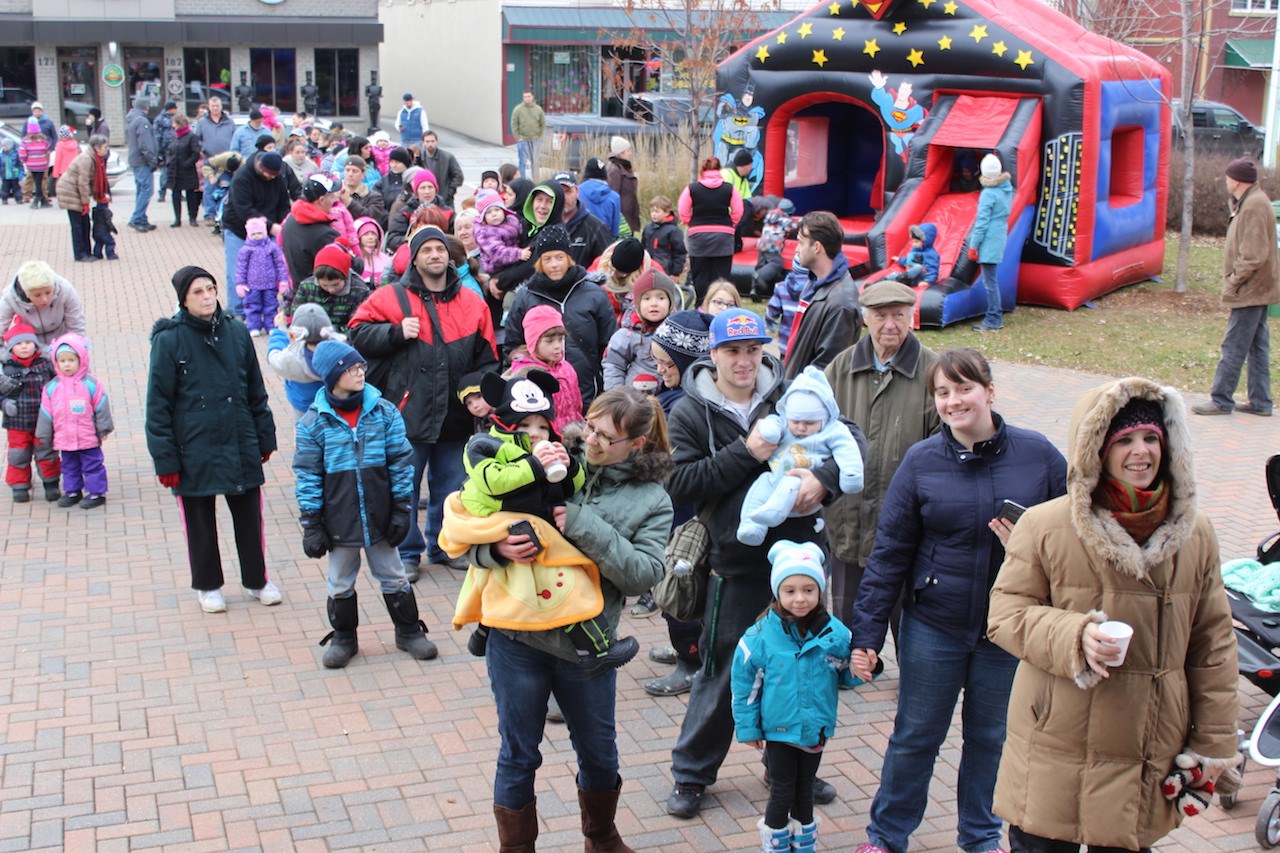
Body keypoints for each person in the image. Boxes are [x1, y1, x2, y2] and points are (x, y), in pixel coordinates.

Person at [987, 378, 1240, 853]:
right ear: (1096, 450)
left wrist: (1214, 742)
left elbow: (1214, 643)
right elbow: (1005, 614)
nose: (1141, 452)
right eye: (1124, 440)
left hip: (1146, 747)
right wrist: (1074, 635)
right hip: (1056, 745)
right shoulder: (1044, 524)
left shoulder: (1196, 533)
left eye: (1150, 438)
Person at [849, 348, 1067, 853]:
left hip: (1008, 631)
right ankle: (886, 837)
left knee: (992, 739)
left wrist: (1028, 549)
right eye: (942, 393)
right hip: (934, 625)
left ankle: (981, 837)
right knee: (915, 736)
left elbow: (1074, 541)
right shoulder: (921, 462)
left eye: (964, 388)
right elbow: (889, 554)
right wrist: (868, 635)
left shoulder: (1039, 456)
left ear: (989, 391)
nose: (953, 401)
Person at [666, 308, 861, 820]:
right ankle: (691, 773)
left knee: (800, 671)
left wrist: (825, 480)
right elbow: (681, 483)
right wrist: (746, 452)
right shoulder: (688, 412)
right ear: (713, 354)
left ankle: (788, 768)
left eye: (753, 349)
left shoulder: (792, 393)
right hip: (734, 562)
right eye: (733, 351)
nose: (744, 361)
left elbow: (850, 437)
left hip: (800, 563)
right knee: (722, 669)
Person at [470, 386, 672, 852]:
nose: (590, 441)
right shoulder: (543, 455)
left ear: (636, 444)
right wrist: (493, 549)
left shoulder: (652, 499)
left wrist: (582, 523)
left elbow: (644, 574)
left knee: (599, 755)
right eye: (590, 427)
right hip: (517, 639)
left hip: (588, 649)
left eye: (606, 437)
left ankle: (601, 838)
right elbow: (469, 518)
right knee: (518, 755)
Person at [451, 370, 643, 671]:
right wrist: (535, 465)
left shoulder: (552, 448)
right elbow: (493, 482)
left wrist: (569, 467)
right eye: (524, 425)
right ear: (504, 422)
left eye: (542, 425)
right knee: (566, 585)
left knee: (518, 582)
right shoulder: (484, 445)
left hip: (525, 522)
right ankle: (598, 648)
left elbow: (569, 488)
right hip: (492, 516)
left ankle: (483, 633)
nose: (535, 433)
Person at [347, 226, 499, 580]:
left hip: (455, 416)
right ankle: (407, 553)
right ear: (414, 259)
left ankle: (444, 546)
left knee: (451, 488)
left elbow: (488, 358)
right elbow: (356, 333)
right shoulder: (389, 296)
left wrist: (476, 393)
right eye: (426, 250)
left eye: (440, 249)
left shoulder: (472, 302)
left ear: (449, 256)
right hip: (406, 413)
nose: (435, 255)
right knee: (405, 489)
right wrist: (395, 332)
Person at [294, 339, 437, 669]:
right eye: (352, 368)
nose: (361, 372)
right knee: (340, 579)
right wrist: (311, 522)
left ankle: (409, 631)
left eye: (361, 366)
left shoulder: (384, 412)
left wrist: (402, 509)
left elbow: (401, 461)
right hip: (338, 517)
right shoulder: (313, 423)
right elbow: (307, 475)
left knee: (394, 574)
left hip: (380, 514)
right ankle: (344, 638)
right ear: (333, 375)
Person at [146, 266, 281, 614]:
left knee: (249, 518)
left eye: (211, 289)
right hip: (193, 446)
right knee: (199, 523)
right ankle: (208, 585)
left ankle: (257, 580)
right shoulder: (169, 339)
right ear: (184, 300)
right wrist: (165, 459)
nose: (207, 297)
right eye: (198, 292)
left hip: (239, 439)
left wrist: (264, 436)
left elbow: (256, 390)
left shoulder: (236, 332)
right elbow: (158, 405)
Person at [823, 282, 940, 634]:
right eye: (880, 315)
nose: (890, 324)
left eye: (898, 315)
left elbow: (943, 451)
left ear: (911, 318)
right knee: (846, 632)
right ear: (865, 319)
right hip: (848, 524)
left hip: (907, 532)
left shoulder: (934, 371)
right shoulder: (840, 369)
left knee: (911, 632)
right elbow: (816, 438)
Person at [733, 541, 863, 853]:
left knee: (805, 788)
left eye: (808, 589)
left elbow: (846, 674)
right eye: (790, 590)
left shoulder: (836, 634)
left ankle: (804, 845)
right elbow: (745, 686)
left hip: (815, 728)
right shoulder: (760, 636)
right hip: (779, 729)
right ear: (777, 591)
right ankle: (776, 845)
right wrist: (749, 728)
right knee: (782, 789)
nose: (800, 598)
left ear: (820, 590)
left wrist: (861, 668)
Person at [642, 309, 713, 695]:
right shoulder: (677, 395)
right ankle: (686, 648)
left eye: (666, 363)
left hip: (682, 515)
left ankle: (690, 661)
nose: (659, 369)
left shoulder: (684, 404)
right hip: (676, 510)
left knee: (679, 583)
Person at [1192, 156, 1280, 417]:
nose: (1226, 181)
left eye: (1228, 178)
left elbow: (1253, 255)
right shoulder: (1250, 201)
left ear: (1238, 181)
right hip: (1257, 289)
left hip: (1250, 289)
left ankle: (1221, 399)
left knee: (1233, 345)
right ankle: (1261, 402)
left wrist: (1233, 281)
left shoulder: (1254, 205)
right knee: (1257, 347)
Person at [737, 366, 863, 546]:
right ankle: (752, 527)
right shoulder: (785, 421)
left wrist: (850, 476)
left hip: (802, 481)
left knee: (790, 483)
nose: (801, 428)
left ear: (823, 418)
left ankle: (773, 514)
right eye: (795, 421)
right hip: (775, 477)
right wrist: (770, 431)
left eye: (810, 423)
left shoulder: (832, 430)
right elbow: (773, 422)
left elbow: (848, 449)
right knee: (761, 485)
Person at [504, 226, 616, 407]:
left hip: (590, 393)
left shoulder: (594, 294)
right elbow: (512, 347)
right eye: (547, 259)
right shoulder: (525, 298)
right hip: (540, 398)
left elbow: (610, 344)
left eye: (559, 257)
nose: (554, 264)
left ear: (569, 258)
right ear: (539, 262)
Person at [36, 333, 113, 510]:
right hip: (65, 436)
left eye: (71, 360)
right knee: (69, 466)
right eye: (62, 361)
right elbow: (46, 412)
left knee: (92, 464)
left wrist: (103, 428)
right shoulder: (52, 387)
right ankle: (72, 491)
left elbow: (101, 406)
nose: (67, 364)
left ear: (81, 360)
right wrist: (44, 434)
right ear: (56, 363)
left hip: (87, 435)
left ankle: (97, 492)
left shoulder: (91, 384)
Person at [785, 211, 860, 379]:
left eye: (801, 242)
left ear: (817, 247)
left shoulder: (841, 303)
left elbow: (827, 368)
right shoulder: (813, 283)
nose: (797, 249)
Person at [223, 151, 291, 320]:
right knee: (237, 270)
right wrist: (270, 226)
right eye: (267, 174)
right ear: (260, 166)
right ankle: (238, 312)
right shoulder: (242, 177)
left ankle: (270, 310)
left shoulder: (278, 178)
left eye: (274, 175)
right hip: (239, 228)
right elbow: (244, 209)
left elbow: (284, 203)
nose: (270, 177)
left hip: (269, 230)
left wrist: (283, 223)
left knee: (274, 268)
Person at [0, 317, 60, 503]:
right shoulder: (6, 369)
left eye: (28, 342)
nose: (24, 347)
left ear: (35, 345)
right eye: (19, 344)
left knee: (46, 452)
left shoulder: (46, 364)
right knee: (18, 453)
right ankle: (19, 485)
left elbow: (58, 386)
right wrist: (4, 403)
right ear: (11, 348)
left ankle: (51, 482)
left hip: (44, 420)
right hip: (17, 422)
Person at [509, 305, 583, 434]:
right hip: (546, 437)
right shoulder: (526, 375)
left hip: (573, 433)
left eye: (560, 339)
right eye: (549, 341)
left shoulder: (566, 368)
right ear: (533, 342)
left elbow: (577, 405)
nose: (557, 346)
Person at [679, 157, 743, 304]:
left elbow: (683, 210)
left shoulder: (692, 189)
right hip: (723, 235)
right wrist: (730, 224)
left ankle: (701, 304)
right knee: (721, 276)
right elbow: (738, 210)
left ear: (702, 170)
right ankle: (720, 304)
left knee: (700, 274)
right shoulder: (729, 188)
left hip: (698, 235)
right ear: (719, 169)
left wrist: (692, 223)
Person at [603, 269, 678, 392]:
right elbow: (614, 365)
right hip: (635, 397)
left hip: (672, 395)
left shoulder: (678, 332)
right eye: (647, 298)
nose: (654, 303)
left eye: (661, 298)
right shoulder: (628, 334)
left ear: (670, 303)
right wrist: (617, 395)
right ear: (637, 304)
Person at [266, 303, 336, 418]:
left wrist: (279, 330)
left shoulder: (290, 358)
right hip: (333, 405)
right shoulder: (340, 353)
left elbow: (273, 357)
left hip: (302, 407)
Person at [281, 243, 370, 334]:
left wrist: (333, 330)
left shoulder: (360, 291)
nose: (331, 290)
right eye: (325, 285)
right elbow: (298, 315)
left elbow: (358, 324)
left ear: (345, 277)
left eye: (335, 284)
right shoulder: (306, 287)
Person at [968, 153, 1013, 333]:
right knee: (991, 280)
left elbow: (981, 222)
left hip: (989, 239)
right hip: (999, 235)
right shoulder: (1006, 189)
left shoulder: (988, 194)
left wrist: (974, 245)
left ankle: (994, 317)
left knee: (990, 282)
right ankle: (994, 315)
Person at [0, 261, 87, 346]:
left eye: (48, 292)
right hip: (28, 345)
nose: (44, 300)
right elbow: (1, 328)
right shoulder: (9, 298)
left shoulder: (66, 290)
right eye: (37, 295)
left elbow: (76, 326)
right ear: (26, 293)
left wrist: (75, 348)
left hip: (61, 341)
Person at [57, 134, 110, 263]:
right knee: (78, 225)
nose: (107, 149)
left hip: (76, 191)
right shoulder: (86, 159)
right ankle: (80, 254)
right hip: (70, 192)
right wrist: (85, 203)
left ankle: (86, 251)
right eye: (105, 147)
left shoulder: (95, 158)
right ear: (96, 148)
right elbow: (83, 182)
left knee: (85, 224)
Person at [281, 174, 341, 287]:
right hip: (319, 294)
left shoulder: (291, 220)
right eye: (331, 196)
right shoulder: (324, 235)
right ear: (322, 200)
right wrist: (356, 260)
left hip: (299, 290)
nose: (334, 199)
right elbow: (347, 267)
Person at [236, 217, 290, 336]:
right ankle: (253, 326)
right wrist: (240, 283)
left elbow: (280, 264)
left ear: (264, 232)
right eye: (254, 234)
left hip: (270, 284)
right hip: (252, 285)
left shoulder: (272, 247)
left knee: (271, 306)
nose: (257, 236)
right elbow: (241, 268)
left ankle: (271, 325)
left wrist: (283, 280)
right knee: (252, 307)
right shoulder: (245, 250)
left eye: (259, 233)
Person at [554, 171, 611, 268]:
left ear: (577, 191)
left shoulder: (596, 227)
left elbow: (607, 266)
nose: (563, 197)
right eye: (559, 192)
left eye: (568, 192)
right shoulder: (545, 226)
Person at [195, 95, 236, 224]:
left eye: (217, 106)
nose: (215, 108)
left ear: (221, 106)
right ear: (209, 107)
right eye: (212, 106)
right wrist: (202, 149)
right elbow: (196, 139)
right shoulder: (202, 122)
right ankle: (209, 215)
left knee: (227, 186)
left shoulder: (229, 122)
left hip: (226, 161)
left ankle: (225, 212)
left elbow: (235, 138)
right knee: (209, 187)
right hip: (210, 160)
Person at [473, 189, 530, 278]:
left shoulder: (512, 220)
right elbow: (497, 252)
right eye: (488, 212)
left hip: (514, 261)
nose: (494, 214)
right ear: (483, 217)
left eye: (497, 210)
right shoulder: (485, 233)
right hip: (498, 269)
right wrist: (518, 254)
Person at [749, 198, 797, 300]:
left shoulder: (769, 215)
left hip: (762, 244)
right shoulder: (785, 219)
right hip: (773, 246)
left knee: (761, 265)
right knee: (776, 263)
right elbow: (795, 226)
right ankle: (759, 275)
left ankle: (755, 291)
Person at [125, 95, 158, 232]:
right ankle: (137, 218)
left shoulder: (131, 119)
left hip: (135, 159)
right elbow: (145, 144)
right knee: (147, 190)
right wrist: (152, 160)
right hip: (142, 160)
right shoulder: (142, 121)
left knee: (141, 189)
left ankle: (142, 218)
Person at [166, 114, 202, 228]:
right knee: (175, 194)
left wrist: (187, 164)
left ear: (180, 124)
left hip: (187, 170)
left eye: (175, 123)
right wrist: (168, 162)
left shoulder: (191, 136)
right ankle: (177, 219)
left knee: (191, 195)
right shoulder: (174, 136)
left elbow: (195, 153)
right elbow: (168, 151)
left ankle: (192, 218)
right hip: (174, 170)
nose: (173, 126)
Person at [765, 261, 806, 360]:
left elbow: (772, 310)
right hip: (807, 344)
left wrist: (769, 321)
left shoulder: (782, 287)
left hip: (786, 343)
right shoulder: (816, 289)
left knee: (785, 366)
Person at [643, 195, 687, 280]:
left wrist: (675, 273)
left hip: (665, 270)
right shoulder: (648, 228)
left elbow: (679, 253)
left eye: (657, 212)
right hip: (648, 267)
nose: (653, 214)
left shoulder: (674, 231)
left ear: (667, 212)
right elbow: (643, 247)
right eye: (652, 211)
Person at [417, 131, 464, 208]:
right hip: (425, 201)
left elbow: (458, 176)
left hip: (445, 201)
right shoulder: (419, 159)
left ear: (437, 142)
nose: (430, 144)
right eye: (427, 141)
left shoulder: (447, 157)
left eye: (432, 141)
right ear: (423, 143)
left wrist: (449, 192)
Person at [578, 157, 622, 238]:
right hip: (605, 241)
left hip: (580, 240)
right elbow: (615, 232)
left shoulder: (577, 193)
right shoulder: (615, 197)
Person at [606, 136, 640, 237]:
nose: (630, 153)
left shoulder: (623, 167)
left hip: (627, 214)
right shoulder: (615, 170)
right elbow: (613, 194)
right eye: (628, 150)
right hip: (621, 217)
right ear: (621, 153)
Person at [339, 155, 386, 224]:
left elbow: (371, 217)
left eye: (355, 171)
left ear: (363, 174)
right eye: (347, 170)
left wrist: (350, 203)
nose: (350, 174)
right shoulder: (335, 193)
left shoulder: (374, 197)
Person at [510, 91, 545, 179]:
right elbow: (514, 124)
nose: (527, 98)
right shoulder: (518, 109)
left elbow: (543, 123)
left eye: (529, 96)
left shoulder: (538, 109)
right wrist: (518, 137)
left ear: (532, 97)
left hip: (535, 139)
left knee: (535, 162)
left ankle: (536, 180)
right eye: (525, 97)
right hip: (523, 139)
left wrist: (540, 136)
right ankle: (522, 180)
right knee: (523, 162)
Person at [18, 117, 51, 209]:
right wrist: (46, 161)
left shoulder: (25, 141)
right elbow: (47, 151)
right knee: (38, 182)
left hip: (31, 165)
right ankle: (42, 201)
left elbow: (22, 153)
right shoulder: (43, 140)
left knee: (37, 182)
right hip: (42, 164)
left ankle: (37, 199)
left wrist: (24, 161)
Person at [153, 101, 178, 204]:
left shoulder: (176, 118)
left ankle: (177, 192)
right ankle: (162, 193)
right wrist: (158, 152)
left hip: (176, 149)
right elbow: (157, 135)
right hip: (165, 150)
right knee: (165, 173)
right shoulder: (160, 120)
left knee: (177, 172)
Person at [49, 125, 79, 200]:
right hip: (73, 169)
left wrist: (55, 174)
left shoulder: (59, 145)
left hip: (62, 171)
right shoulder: (75, 144)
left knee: (63, 187)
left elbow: (58, 160)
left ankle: (65, 200)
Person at [0, 137, 24, 204]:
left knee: (16, 188)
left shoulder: (16, 154)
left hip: (14, 175)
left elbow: (20, 164)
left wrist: (21, 173)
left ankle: (19, 199)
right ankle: (4, 199)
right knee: (4, 189)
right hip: (5, 175)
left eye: (5, 146)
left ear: (9, 146)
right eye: (2, 146)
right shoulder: (1, 155)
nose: (3, 147)